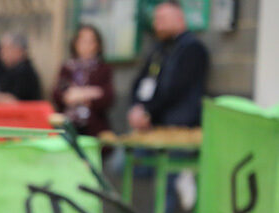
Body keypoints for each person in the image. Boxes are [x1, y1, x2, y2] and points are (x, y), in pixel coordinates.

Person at [128, 0, 209, 130]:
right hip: (152, 123)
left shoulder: (192, 48)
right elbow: (142, 80)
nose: (157, 25)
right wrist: (137, 107)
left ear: (179, 18)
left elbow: (175, 88)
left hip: (180, 126)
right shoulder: (159, 49)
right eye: (156, 20)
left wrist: (148, 111)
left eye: (162, 19)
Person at [52, 25, 114, 136]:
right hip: (68, 125)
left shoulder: (103, 69)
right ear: (75, 43)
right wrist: (90, 92)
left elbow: (107, 96)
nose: (86, 46)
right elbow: (58, 94)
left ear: (97, 45)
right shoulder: (67, 68)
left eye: (91, 42)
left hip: (93, 127)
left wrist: (78, 94)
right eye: (83, 41)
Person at [0, 33, 41, 102]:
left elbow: (16, 103)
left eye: (4, 48)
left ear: (18, 50)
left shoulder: (25, 73)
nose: (0, 53)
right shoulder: (7, 69)